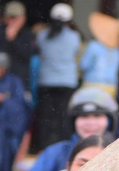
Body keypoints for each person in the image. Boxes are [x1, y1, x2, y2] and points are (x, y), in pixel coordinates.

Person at [17, 85, 114, 171]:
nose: (90, 123)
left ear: (110, 121)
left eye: (97, 116)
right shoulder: (56, 152)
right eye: (84, 116)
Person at [34, 2, 79, 151]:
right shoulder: (74, 37)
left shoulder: (42, 35)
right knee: (64, 117)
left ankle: (44, 148)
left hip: (47, 81)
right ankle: (64, 148)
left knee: (45, 117)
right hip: (67, 81)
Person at [0, 1, 31, 91]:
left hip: (21, 81)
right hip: (0, 82)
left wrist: (13, 40)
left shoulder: (28, 34)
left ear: (23, 18)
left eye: (15, 18)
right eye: (9, 17)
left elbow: (27, 55)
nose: (12, 21)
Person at [79, 12, 119, 97]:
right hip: (111, 86)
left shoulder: (94, 46)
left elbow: (83, 65)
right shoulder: (117, 50)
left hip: (92, 84)